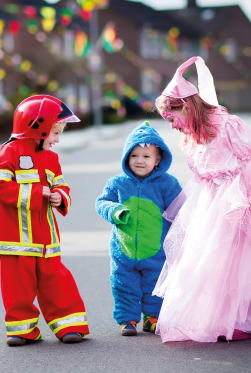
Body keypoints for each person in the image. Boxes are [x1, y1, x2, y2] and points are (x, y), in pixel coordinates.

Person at [153, 55, 251, 343]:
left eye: (173, 118)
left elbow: (246, 160)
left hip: (234, 199)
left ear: (187, 106)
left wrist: (245, 199)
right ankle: (218, 317)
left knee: (235, 260)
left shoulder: (226, 124)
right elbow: (201, 174)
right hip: (208, 204)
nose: (172, 126)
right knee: (206, 259)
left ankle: (237, 316)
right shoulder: (190, 136)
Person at [0, 95, 89, 346]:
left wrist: (60, 198)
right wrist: (37, 193)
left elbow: (62, 186)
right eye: (55, 132)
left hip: (47, 239)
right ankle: (21, 330)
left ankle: (69, 325)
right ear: (36, 126)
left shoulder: (52, 158)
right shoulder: (8, 153)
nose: (58, 139)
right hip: (15, 240)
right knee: (18, 287)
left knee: (57, 280)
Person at [95, 121, 182, 336]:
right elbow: (101, 203)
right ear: (126, 157)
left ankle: (152, 318)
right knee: (124, 285)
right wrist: (115, 211)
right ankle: (128, 320)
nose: (139, 161)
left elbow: (180, 209)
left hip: (155, 250)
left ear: (158, 159)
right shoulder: (117, 183)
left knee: (154, 286)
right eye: (134, 156)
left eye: (146, 157)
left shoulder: (167, 184)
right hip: (123, 251)